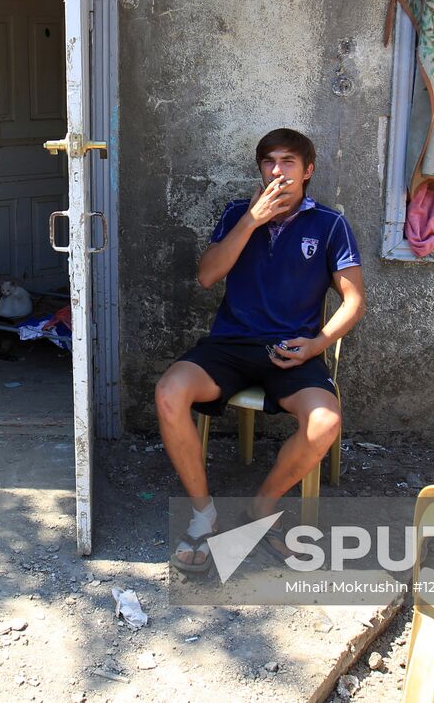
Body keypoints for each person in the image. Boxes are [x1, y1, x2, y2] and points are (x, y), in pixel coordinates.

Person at [154, 128, 366, 573]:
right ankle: (203, 515)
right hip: (231, 345)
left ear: (307, 171)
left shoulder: (330, 224)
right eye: (269, 162)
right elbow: (207, 276)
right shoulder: (237, 213)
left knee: (325, 422)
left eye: (288, 162)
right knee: (169, 392)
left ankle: (260, 508)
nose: (277, 171)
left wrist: (318, 344)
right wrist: (251, 220)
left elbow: (354, 300)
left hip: (292, 351)